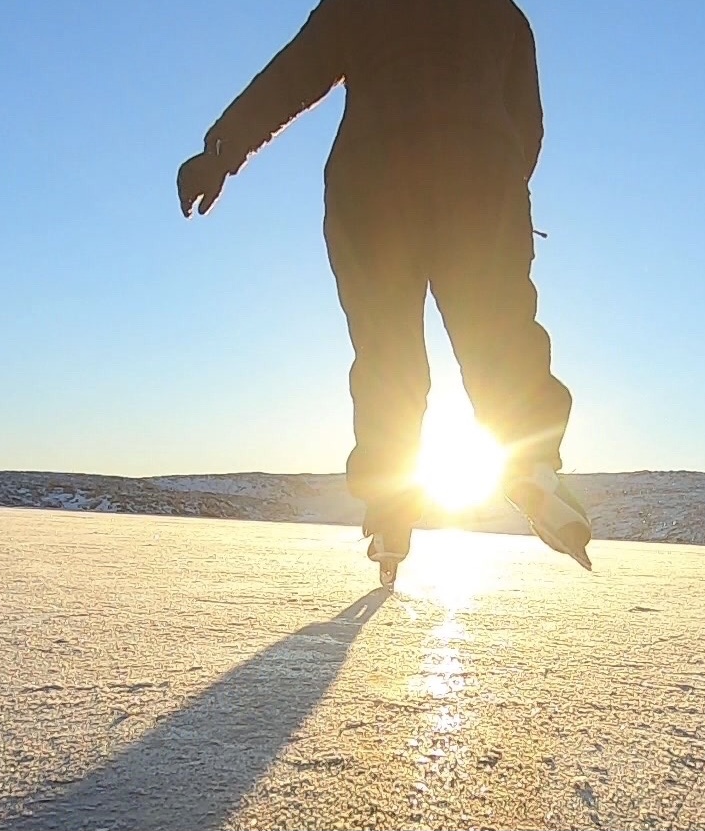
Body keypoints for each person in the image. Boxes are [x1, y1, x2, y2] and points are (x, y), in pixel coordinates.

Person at [177, 0, 592, 581]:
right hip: (479, 175)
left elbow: (292, 75)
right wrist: (498, 187)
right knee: (498, 332)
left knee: (387, 352)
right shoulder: (503, 15)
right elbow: (527, 122)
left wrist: (221, 152)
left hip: (372, 181)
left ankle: (390, 506)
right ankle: (531, 463)